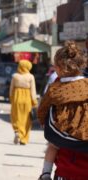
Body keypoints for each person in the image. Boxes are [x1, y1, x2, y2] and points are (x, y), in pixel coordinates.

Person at [37, 41, 88, 180]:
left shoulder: (55, 89)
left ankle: (45, 173)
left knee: (52, 145)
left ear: (59, 68)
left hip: (66, 168)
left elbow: (41, 111)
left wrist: (44, 122)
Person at [9, 60, 37, 145]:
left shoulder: (15, 76)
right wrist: (34, 102)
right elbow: (33, 91)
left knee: (16, 117)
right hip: (27, 100)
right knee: (26, 119)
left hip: (17, 99)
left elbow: (11, 90)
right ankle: (24, 139)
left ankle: (17, 132)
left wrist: (11, 99)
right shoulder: (30, 77)